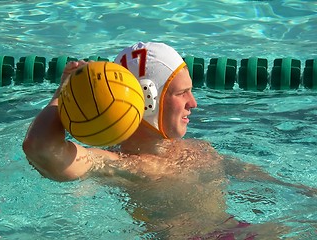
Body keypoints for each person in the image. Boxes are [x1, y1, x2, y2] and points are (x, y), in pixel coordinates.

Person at [23, 42, 305, 239]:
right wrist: (63, 95)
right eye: (182, 93)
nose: (193, 103)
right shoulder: (123, 165)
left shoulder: (197, 149)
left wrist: (300, 190)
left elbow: (244, 174)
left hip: (238, 230)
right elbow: (42, 150)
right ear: (148, 98)